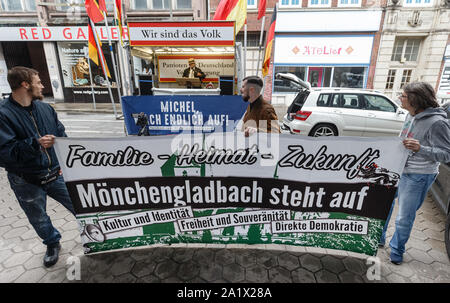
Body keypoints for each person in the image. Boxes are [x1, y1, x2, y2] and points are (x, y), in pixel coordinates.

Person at [0, 66, 76, 268]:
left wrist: (65, 161)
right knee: (39, 218)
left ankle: (95, 234)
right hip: (25, 180)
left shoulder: (45, 109)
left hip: (55, 173)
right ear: (25, 85)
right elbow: (5, 153)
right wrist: (35, 144)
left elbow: (61, 135)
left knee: (80, 205)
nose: (42, 86)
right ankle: (52, 243)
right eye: (38, 82)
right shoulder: (3, 114)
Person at [379, 82, 450, 265]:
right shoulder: (410, 115)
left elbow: (446, 153)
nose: (400, 98)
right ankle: (379, 238)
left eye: (403, 96)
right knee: (384, 205)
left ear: (414, 99)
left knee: (404, 216)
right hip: (398, 168)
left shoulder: (438, 123)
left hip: (418, 176)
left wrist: (421, 148)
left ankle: (396, 250)